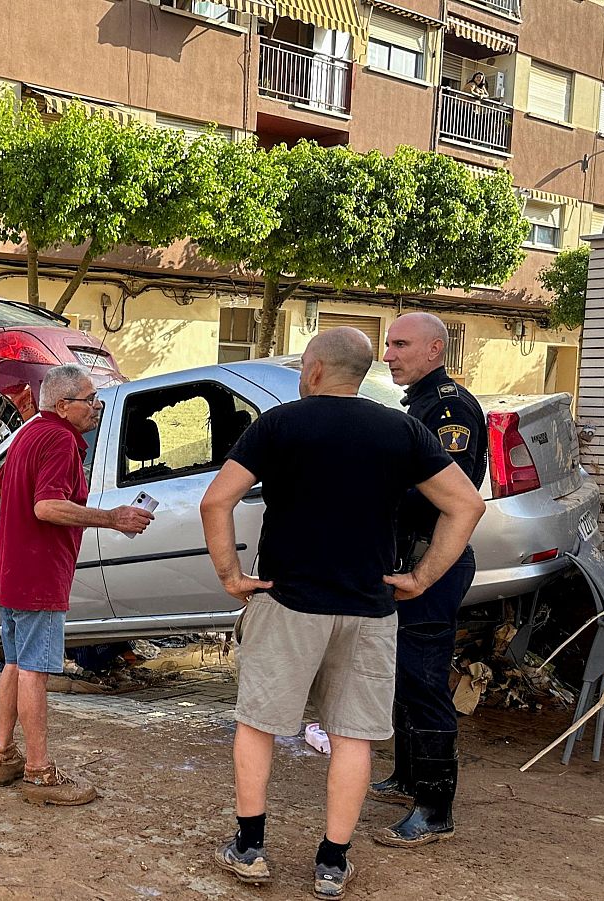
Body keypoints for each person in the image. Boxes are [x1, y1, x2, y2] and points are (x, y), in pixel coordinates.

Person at [198, 328, 484, 898]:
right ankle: (332, 862)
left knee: (258, 724)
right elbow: (466, 504)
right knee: (352, 735)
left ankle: (250, 848)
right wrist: (422, 578)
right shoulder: (401, 429)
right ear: (360, 373)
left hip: (287, 601)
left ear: (314, 370)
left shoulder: (278, 425)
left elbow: (215, 500)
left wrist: (232, 577)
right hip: (370, 607)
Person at [0, 363, 153, 805]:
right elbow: (46, 507)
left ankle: (4, 755)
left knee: (14, 665)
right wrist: (112, 518)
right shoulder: (60, 439)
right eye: (89, 399)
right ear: (63, 405)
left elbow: (0, 490)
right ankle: (39, 773)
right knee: (34, 673)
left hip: (11, 570)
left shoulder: (28, 432)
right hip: (38, 574)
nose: (96, 407)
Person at [371, 313, 488, 848]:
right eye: (387, 344)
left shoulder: (448, 408)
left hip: (431, 566)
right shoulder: (419, 402)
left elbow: (446, 492)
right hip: (409, 561)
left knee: (423, 679)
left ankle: (435, 808)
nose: (389, 354)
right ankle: (408, 777)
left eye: (400, 345)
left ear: (435, 349)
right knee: (402, 678)